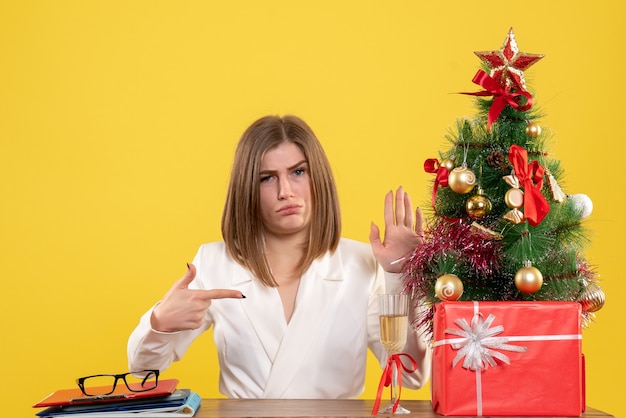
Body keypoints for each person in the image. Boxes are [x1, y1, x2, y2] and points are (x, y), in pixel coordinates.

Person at [127, 115, 431, 398]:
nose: (286, 191)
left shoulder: (362, 264)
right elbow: (142, 371)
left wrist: (401, 276)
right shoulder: (214, 262)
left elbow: (409, 374)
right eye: (267, 178)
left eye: (298, 172)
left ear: (318, 178)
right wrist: (160, 322)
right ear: (246, 189)